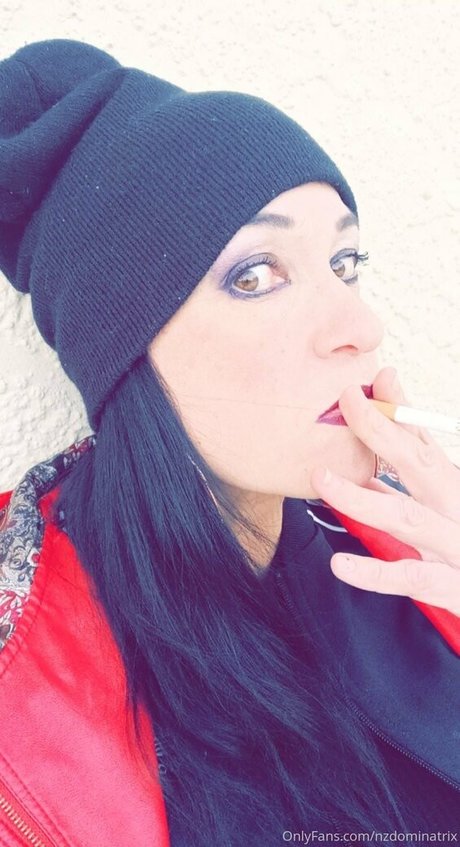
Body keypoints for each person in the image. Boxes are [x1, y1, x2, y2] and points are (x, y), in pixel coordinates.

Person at [0, 38, 459, 846]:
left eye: (344, 261)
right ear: (126, 347)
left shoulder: (418, 550)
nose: (360, 326)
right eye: (256, 275)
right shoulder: (24, 683)